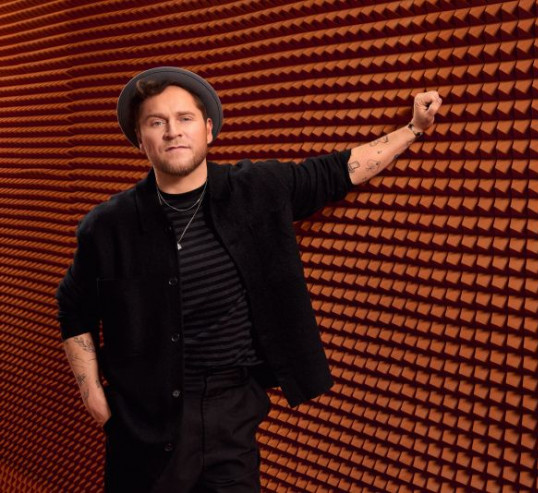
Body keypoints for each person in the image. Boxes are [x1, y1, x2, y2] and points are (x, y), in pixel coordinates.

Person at [56, 66, 442, 492]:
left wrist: (413, 129)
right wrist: (92, 394)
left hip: (232, 415)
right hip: (143, 421)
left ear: (208, 130)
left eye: (184, 118)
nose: (173, 131)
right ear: (140, 138)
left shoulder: (257, 188)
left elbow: (341, 170)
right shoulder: (107, 225)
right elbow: (74, 307)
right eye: (156, 122)